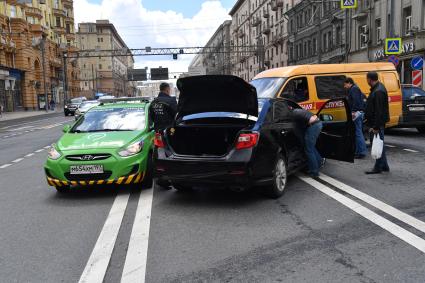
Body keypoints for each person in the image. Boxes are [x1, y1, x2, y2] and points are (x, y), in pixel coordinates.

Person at [364, 71, 390, 174]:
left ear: (370, 79)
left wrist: (375, 127)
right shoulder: (378, 88)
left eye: (367, 79)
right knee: (380, 143)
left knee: (377, 144)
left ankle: (378, 167)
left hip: (376, 124)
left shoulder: (378, 91)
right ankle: (384, 166)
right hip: (376, 123)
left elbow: (379, 111)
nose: (367, 81)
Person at [292, 108, 324, 177]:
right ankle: (318, 163)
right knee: (311, 148)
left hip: (313, 126)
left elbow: (298, 128)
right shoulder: (298, 110)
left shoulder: (293, 114)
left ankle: (314, 172)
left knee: (308, 150)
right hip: (318, 123)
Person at [344, 77, 367, 159]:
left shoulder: (354, 89)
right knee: (358, 132)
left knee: (358, 133)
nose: (345, 86)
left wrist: (353, 111)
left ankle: (361, 152)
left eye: (345, 84)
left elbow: (356, 101)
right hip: (358, 112)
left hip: (356, 113)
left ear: (349, 83)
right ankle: (359, 151)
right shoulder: (354, 88)